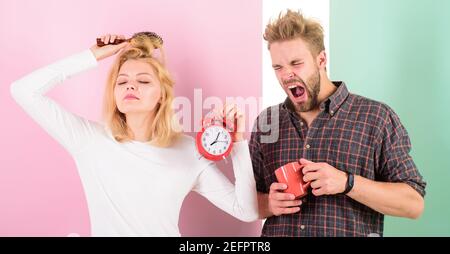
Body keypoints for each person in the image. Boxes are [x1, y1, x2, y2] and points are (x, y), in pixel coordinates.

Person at [10, 33, 258, 236]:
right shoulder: (89, 140)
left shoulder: (188, 150)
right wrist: (93, 56)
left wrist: (236, 144)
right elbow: (23, 90)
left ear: (161, 95)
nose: (130, 86)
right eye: (122, 81)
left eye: (143, 81)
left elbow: (246, 211)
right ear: (115, 94)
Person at [250, 10, 426, 237]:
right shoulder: (267, 121)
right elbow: (246, 202)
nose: (286, 75)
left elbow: (413, 204)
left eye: (296, 63)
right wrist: (269, 204)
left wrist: (347, 183)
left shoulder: (375, 117)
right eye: (278, 67)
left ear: (321, 59)